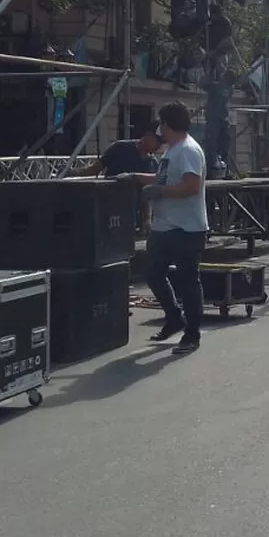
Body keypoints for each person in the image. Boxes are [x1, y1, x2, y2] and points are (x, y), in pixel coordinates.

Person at [120, 102, 208, 355]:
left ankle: (192, 334)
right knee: (153, 272)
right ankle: (174, 317)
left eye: (160, 123)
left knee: (189, 279)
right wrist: (136, 177)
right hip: (165, 225)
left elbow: (191, 186)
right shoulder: (172, 151)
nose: (158, 129)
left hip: (187, 228)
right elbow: (164, 178)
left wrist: (160, 191)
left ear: (167, 125)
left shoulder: (188, 150)